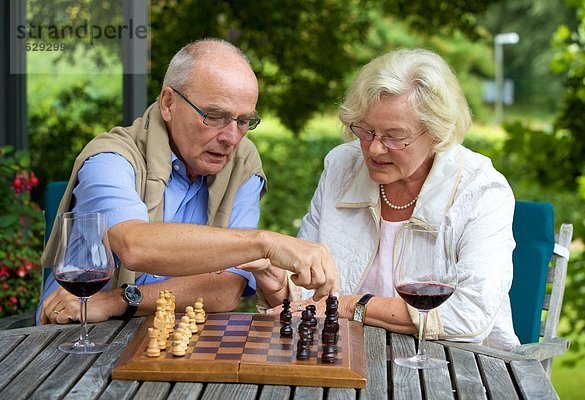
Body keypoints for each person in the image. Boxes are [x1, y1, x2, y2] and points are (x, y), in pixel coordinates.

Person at [37, 38, 338, 325]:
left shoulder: (242, 163)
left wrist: (120, 301)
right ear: (169, 103)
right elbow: (135, 245)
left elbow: (227, 289)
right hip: (74, 333)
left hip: (168, 334)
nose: (231, 138)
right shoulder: (110, 159)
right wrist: (265, 242)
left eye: (244, 121)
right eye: (215, 116)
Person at [246, 48, 519, 351]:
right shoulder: (342, 166)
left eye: (394, 136)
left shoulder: (481, 189)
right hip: (347, 359)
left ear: (437, 133)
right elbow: (310, 297)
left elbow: (470, 317)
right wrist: (278, 284)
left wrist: (353, 307)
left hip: (460, 368)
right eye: (366, 131)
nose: (375, 149)